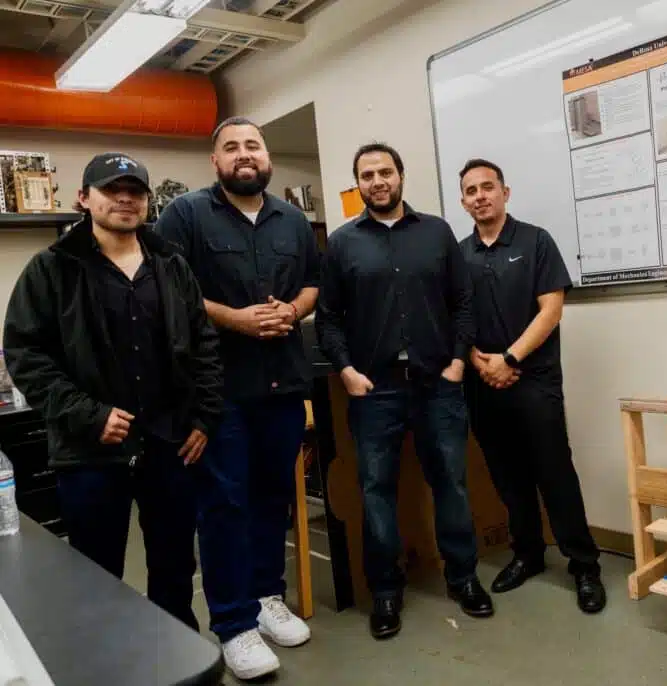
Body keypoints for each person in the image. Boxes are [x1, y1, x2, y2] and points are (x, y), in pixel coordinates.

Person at [2, 153, 223, 631]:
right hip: (90, 453)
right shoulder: (52, 269)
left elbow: (204, 343)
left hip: (170, 447)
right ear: (84, 198)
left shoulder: (171, 264)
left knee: (174, 570)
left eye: (136, 191)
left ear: (146, 203)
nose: (125, 198)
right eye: (111, 189)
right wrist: (87, 414)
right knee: (96, 576)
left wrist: (204, 418)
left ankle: (179, 663)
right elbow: (24, 354)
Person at [155, 117, 320, 681]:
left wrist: (292, 311)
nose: (243, 155)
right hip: (217, 390)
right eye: (231, 147)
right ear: (215, 161)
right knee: (224, 505)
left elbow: (313, 284)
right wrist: (235, 320)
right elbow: (171, 291)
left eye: (252, 145)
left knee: (273, 498)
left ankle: (267, 599)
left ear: (266, 156)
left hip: (282, 383)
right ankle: (233, 624)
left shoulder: (293, 219)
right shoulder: (186, 216)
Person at [315, 142, 493, 640]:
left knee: (452, 485)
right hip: (375, 390)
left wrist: (458, 362)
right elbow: (329, 319)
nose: (378, 181)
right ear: (358, 184)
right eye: (367, 175)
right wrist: (347, 370)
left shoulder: (436, 233)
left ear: (400, 176)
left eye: (385, 172)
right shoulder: (343, 244)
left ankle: (463, 578)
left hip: (439, 384)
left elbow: (463, 303)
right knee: (376, 492)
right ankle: (386, 593)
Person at [457, 158, 606, 614]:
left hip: (532, 379)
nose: (480, 195)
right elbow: (453, 317)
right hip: (483, 383)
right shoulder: (458, 254)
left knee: (554, 473)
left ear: (505, 191)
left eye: (488, 187)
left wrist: (509, 358)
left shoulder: (536, 241)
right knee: (507, 477)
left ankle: (584, 565)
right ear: (463, 201)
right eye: (471, 190)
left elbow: (551, 309)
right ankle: (528, 554)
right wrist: (476, 360)